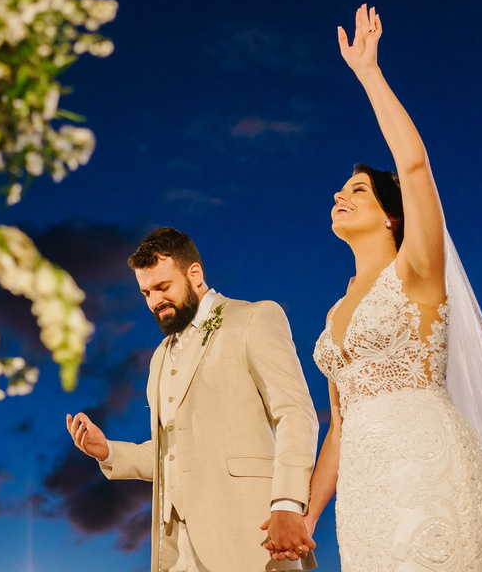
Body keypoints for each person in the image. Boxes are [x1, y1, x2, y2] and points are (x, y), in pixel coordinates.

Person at [308, 4, 482, 572]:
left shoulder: (417, 270)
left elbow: (414, 167)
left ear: (391, 216)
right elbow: (338, 429)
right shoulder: (334, 314)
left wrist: (368, 73)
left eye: (358, 190)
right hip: (363, 502)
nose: (341, 195)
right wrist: (306, 518)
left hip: (431, 472)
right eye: (341, 189)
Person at [67, 227, 320, 572]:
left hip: (250, 535)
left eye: (163, 287)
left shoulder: (253, 319)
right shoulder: (159, 357)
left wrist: (288, 504)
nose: (154, 301)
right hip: (177, 552)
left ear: (195, 274)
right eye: (146, 293)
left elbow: (295, 413)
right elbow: (172, 454)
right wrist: (107, 451)